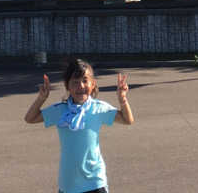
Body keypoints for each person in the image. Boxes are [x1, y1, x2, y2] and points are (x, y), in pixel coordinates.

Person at [24, 57, 134, 193]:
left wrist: (122, 99)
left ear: (93, 84)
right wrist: (42, 98)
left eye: (85, 81)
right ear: (67, 86)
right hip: (69, 184)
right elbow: (30, 118)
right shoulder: (60, 110)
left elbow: (127, 120)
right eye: (75, 82)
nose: (80, 86)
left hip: (95, 182)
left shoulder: (98, 108)